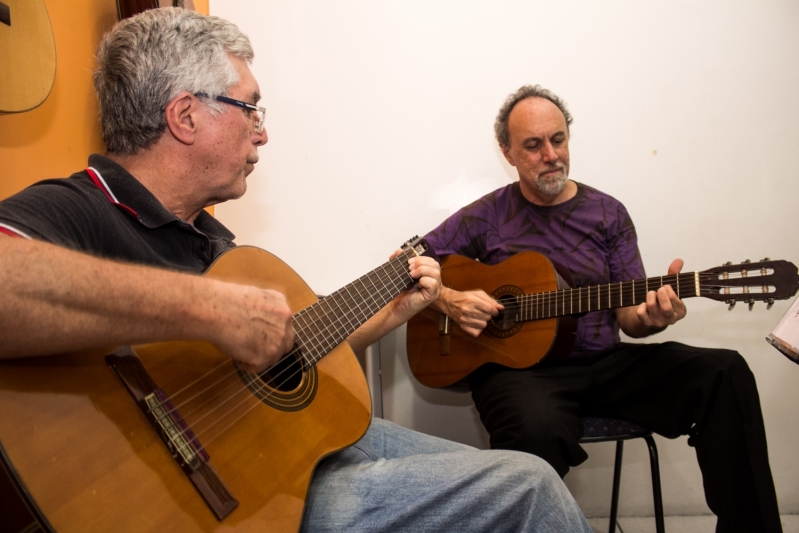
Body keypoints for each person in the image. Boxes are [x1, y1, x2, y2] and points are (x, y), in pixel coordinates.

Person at [0, 10, 592, 532]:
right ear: (185, 115)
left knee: (528, 471)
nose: (263, 132)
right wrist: (209, 308)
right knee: (529, 491)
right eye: (249, 108)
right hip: (204, 503)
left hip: (258, 461)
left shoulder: (211, 241)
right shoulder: (78, 207)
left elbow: (284, 354)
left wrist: (391, 309)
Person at [424, 84, 782, 532]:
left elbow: (630, 317)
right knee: (534, 431)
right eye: (533, 146)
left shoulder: (607, 214)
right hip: (519, 375)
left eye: (558, 139)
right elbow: (407, 264)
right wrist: (450, 299)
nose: (550, 154)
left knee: (725, 373)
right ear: (508, 152)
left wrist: (652, 317)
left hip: (604, 365)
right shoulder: (485, 215)